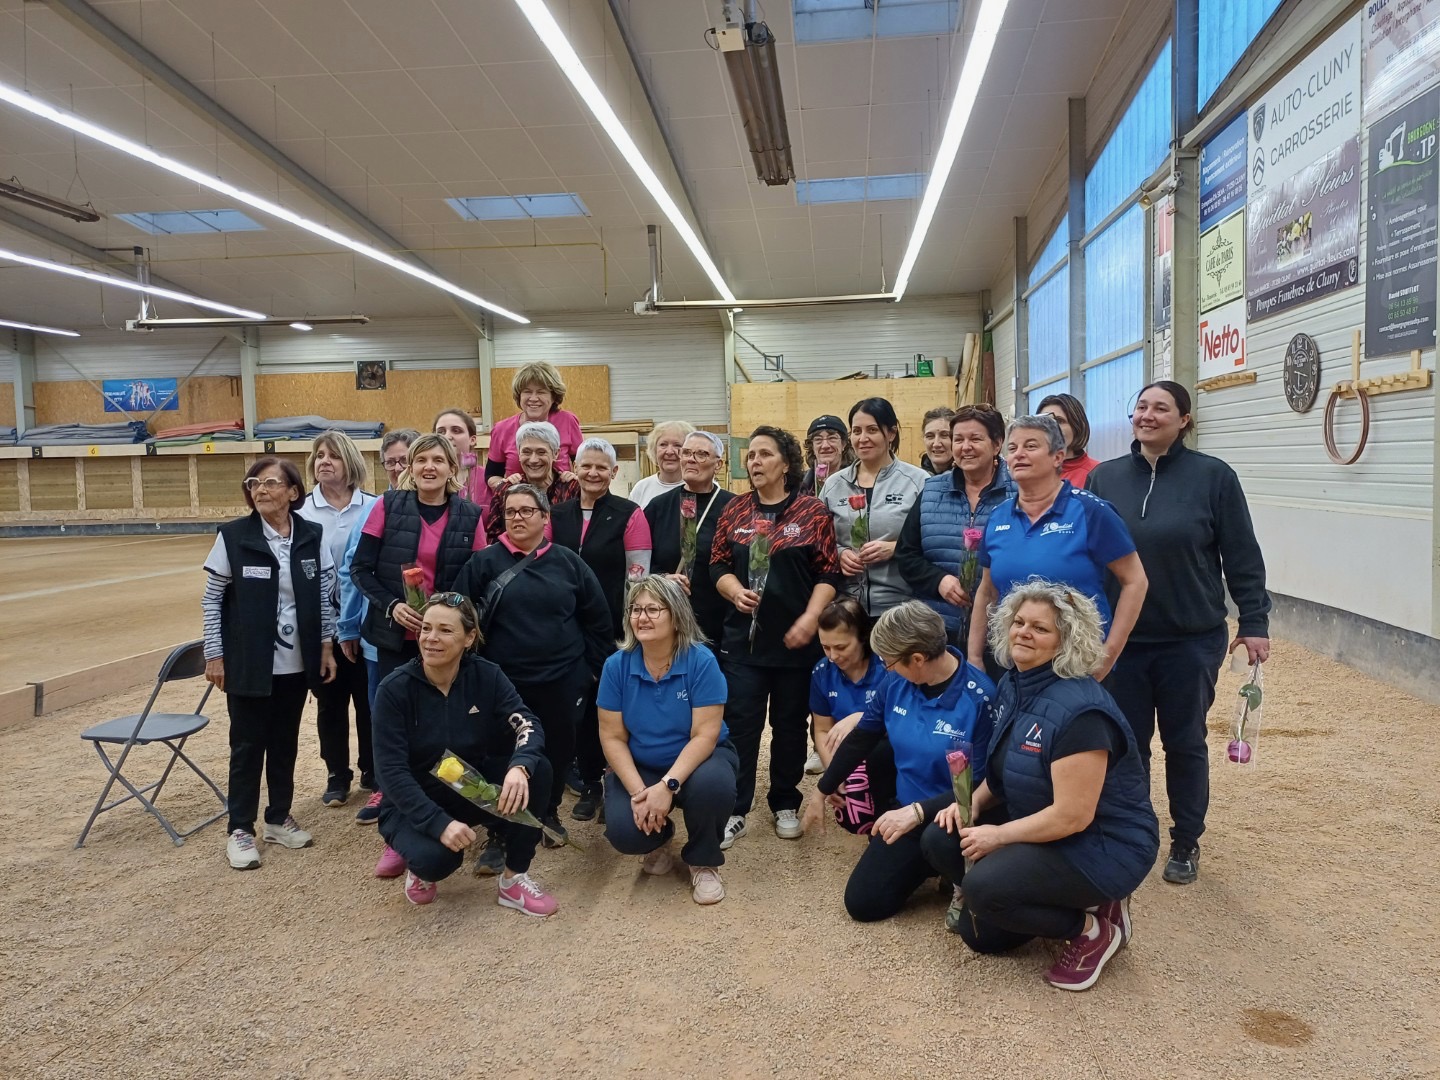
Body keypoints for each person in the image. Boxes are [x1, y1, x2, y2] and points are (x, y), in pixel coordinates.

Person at [1086, 380, 1271, 885]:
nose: (1147, 415)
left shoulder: (1213, 477)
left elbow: (1241, 554)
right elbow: (1086, 555)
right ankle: (1133, 832)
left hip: (1190, 639)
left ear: (1184, 420)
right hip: (1121, 642)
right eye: (1141, 406)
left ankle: (1187, 839)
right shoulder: (1104, 479)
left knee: (1185, 741)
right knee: (1128, 743)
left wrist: (1254, 621)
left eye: (1161, 408)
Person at [944, 580, 1158, 992]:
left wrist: (998, 836)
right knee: (946, 843)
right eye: (1019, 622)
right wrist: (971, 804)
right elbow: (1004, 771)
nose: (1024, 632)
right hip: (1043, 821)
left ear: (1066, 640)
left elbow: (1072, 816)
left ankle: (1093, 929)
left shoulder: (1082, 712)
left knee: (983, 890)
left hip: (1104, 844)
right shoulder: (1015, 683)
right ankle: (1040, 896)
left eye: (1040, 628)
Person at [801, 602, 994, 924]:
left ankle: (959, 878)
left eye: (889, 662)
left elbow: (979, 783)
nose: (885, 668)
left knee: (939, 841)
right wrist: (821, 790)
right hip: (907, 811)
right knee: (864, 903)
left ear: (917, 659)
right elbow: (862, 737)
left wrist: (918, 812)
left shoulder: (979, 698)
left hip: (955, 815)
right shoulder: (896, 682)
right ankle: (929, 865)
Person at [454, 483, 613, 864]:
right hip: (502, 683)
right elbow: (459, 618)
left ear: (545, 517)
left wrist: (590, 673)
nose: (518, 518)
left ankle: (547, 813)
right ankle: (499, 831)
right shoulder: (483, 563)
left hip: (562, 680)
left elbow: (598, 620)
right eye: (511, 512)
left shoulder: (569, 563)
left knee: (557, 750)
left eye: (527, 511)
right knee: (499, 753)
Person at [369, 593, 557, 915]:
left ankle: (514, 881)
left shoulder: (486, 675)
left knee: (539, 770)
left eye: (445, 630)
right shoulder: (394, 689)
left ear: (469, 638)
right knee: (436, 860)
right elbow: (390, 772)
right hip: (411, 802)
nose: (431, 638)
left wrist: (520, 766)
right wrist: (438, 823)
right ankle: (416, 861)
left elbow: (528, 723)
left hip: (468, 788)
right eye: (426, 628)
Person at [201, 456, 337, 871]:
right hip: (248, 663)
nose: (260, 489)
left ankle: (278, 817)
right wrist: (214, 654)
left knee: (284, 743)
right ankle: (240, 829)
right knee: (247, 747)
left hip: (296, 663)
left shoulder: (312, 535)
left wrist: (326, 646)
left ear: (293, 492)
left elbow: (325, 595)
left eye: (270, 483)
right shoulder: (233, 536)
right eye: (253, 483)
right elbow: (211, 599)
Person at [710, 425, 840, 847]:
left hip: (796, 643)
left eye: (764, 454)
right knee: (741, 725)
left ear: (786, 464)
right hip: (743, 644)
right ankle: (735, 808)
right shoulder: (734, 509)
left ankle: (785, 800)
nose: (755, 462)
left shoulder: (812, 511)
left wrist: (811, 618)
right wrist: (734, 591)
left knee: (789, 726)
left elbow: (829, 572)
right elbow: (717, 564)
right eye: (751, 455)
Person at [966, 415, 1147, 681]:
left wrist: (1108, 655)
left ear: (1057, 457)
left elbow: (1135, 581)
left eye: (1031, 446)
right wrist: (974, 657)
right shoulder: (998, 517)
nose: (1019, 454)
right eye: (1012, 448)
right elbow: (987, 591)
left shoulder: (1090, 511)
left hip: (1077, 667)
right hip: (1017, 665)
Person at [598, 576, 739, 905]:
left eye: (652, 609)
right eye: (635, 610)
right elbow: (612, 737)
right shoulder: (616, 666)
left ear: (676, 617)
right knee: (623, 832)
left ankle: (703, 860)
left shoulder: (701, 661)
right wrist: (639, 793)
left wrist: (668, 786)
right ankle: (659, 839)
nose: (641, 617)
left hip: (700, 759)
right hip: (643, 763)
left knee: (713, 786)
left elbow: (705, 735)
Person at [551, 437, 653, 820]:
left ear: (614, 472)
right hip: (564, 630)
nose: (593, 473)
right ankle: (588, 782)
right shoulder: (555, 514)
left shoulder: (630, 514)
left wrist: (631, 629)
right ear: (574, 469)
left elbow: (638, 577)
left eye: (601, 467)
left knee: (609, 708)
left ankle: (613, 784)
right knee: (574, 708)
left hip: (612, 631)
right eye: (586, 465)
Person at [338, 428, 419, 826]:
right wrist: (348, 627)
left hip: (428, 638)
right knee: (383, 715)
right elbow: (353, 571)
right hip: (380, 639)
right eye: (392, 462)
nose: (399, 468)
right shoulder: (376, 509)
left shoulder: (453, 509)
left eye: (406, 460)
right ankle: (386, 787)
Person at [896, 403, 1015, 671]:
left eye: (975, 439)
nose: (965, 447)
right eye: (959, 439)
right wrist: (939, 581)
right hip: (938, 630)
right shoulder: (932, 491)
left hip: (1002, 631)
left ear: (997, 444)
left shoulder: (1017, 493)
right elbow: (906, 555)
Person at [298, 430, 378, 814]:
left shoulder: (374, 506)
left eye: (333, 455)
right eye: (319, 456)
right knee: (330, 703)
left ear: (351, 463)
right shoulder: (302, 512)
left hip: (364, 622)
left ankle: (372, 769)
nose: (324, 462)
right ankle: (336, 775)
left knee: (369, 700)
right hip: (321, 624)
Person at [820, 397, 928, 618]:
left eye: (872, 430)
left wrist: (896, 548)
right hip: (846, 610)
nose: (863, 439)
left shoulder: (918, 481)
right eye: (856, 431)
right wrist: (840, 553)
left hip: (900, 609)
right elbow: (819, 540)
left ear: (891, 433)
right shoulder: (833, 485)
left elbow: (933, 542)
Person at [808, 598, 891, 835]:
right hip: (850, 754)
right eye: (826, 647)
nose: (833, 656)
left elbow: (905, 722)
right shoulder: (822, 672)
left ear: (863, 637)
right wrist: (833, 774)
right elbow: (822, 729)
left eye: (841, 647)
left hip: (889, 750)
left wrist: (861, 717)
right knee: (854, 817)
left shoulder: (887, 666)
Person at [645, 430, 735, 647]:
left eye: (701, 454)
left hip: (719, 624)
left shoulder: (734, 507)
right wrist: (662, 578)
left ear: (718, 464)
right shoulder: (658, 506)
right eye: (686, 453)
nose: (691, 459)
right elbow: (639, 564)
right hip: (667, 621)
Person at [484, 362, 583, 496]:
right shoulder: (502, 429)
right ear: (519, 396)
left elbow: (583, 466)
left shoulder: (568, 421)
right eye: (527, 391)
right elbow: (491, 475)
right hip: (518, 502)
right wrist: (506, 486)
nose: (533, 398)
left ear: (553, 396)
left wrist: (574, 478)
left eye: (541, 392)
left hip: (561, 500)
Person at [484, 421, 580, 543]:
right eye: (526, 452)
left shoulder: (572, 488)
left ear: (555, 453)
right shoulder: (506, 489)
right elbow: (493, 538)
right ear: (519, 453)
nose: (533, 460)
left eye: (541, 452)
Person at [627, 420, 697, 508]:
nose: (669, 451)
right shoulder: (641, 488)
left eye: (677, 445)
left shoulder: (702, 488)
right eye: (663, 444)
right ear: (654, 450)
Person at [1038, 392, 1100, 487]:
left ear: (1076, 426)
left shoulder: (1097, 473)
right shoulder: (1028, 472)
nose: (1050, 427)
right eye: (1044, 421)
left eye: (1059, 421)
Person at [433, 408, 488, 509]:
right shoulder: (426, 477)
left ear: (472, 440)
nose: (447, 436)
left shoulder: (487, 478)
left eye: (456, 430)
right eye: (441, 432)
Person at [799, 414, 855, 496]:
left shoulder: (857, 481)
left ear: (843, 444)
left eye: (832, 438)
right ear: (812, 447)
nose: (825, 446)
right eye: (818, 439)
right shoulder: (799, 485)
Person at [920, 405, 956, 475]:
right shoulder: (916, 478)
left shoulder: (969, 478)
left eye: (944, 435)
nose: (936, 444)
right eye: (930, 436)